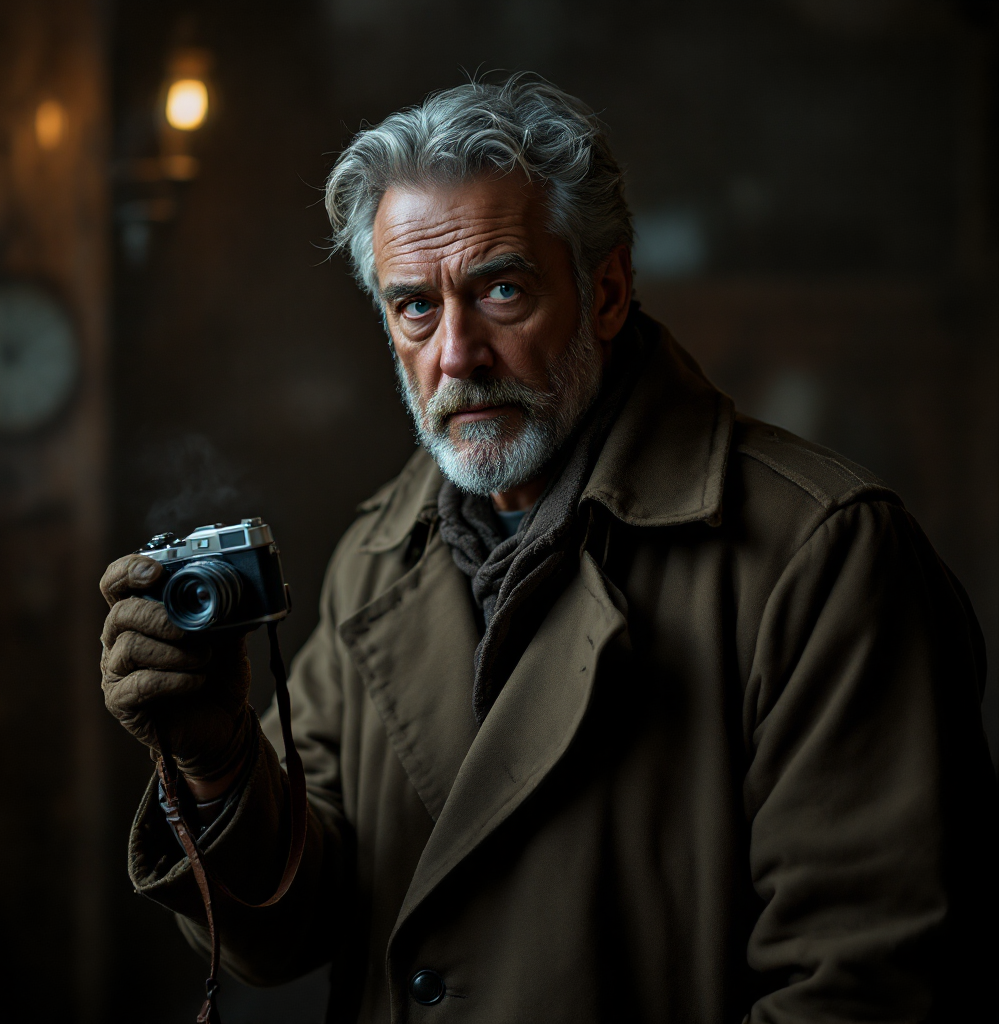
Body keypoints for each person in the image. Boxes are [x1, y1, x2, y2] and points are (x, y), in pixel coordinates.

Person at [99, 76, 998, 1023]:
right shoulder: (380, 554)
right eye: (415, 308)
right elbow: (284, 931)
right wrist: (215, 760)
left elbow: (867, 990)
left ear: (605, 292)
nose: (457, 353)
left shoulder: (823, 557)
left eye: (500, 289)